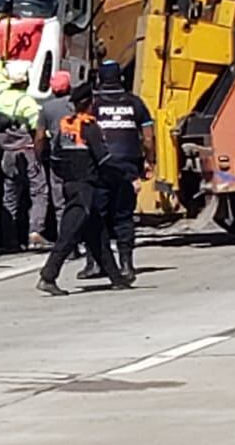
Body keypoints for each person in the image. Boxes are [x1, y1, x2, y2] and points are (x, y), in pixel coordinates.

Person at [37, 83, 132, 297]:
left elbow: (55, 156)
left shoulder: (65, 126)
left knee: (97, 234)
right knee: (70, 232)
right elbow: (103, 159)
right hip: (85, 187)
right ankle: (48, 275)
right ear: (88, 103)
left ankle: (116, 278)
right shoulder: (89, 127)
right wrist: (125, 176)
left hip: (70, 183)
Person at [80, 60, 155, 281]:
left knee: (97, 216)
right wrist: (149, 161)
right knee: (124, 217)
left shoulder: (93, 104)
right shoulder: (135, 103)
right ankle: (126, 265)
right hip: (127, 168)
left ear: (100, 79)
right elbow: (148, 137)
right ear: (120, 78)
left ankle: (95, 263)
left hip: (100, 165)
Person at [0, 58, 48, 249]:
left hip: (6, 153)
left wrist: (0, 57)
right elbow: (37, 131)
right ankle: (35, 232)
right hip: (26, 152)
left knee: (10, 194)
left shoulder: (0, 95)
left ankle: (9, 238)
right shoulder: (27, 103)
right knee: (39, 191)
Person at [35, 70, 74, 235]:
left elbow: (39, 136)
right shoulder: (76, 105)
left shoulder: (46, 108)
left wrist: (38, 156)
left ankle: (63, 237)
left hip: (57, 157)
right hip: (79, 156)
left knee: (59, 200)